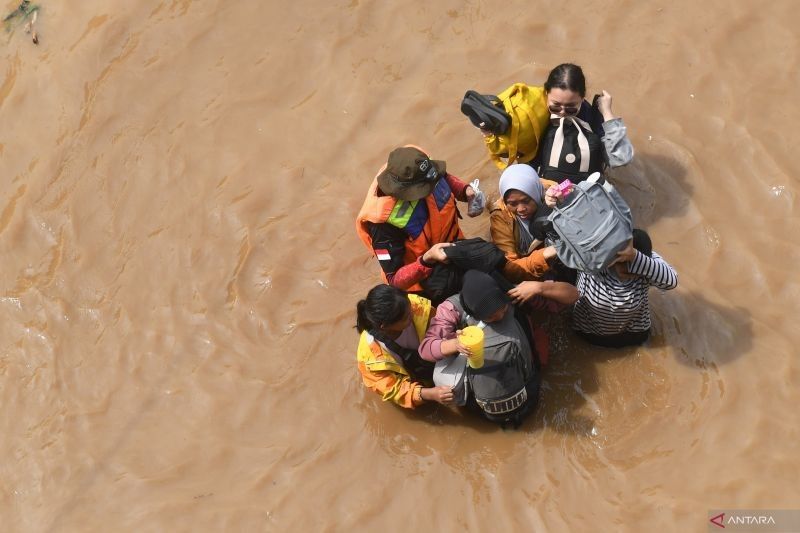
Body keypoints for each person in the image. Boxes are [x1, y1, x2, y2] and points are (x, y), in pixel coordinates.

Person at [419, 271, 578, 427]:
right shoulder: (451, 309)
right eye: (491, 316)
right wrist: (455, 343)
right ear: (473, 311)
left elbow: (573, 295)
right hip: (487, 398)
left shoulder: (515, 294)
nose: (501, 316)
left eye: (503, 309)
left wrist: (539, 287)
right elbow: (425, 349)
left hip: (520, 388)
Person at [355, 145, 478, 296]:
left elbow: (441, 176)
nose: (431, 188)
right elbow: (394, 280)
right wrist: (427, 260)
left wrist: (465, 191)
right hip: (424, 282)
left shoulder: (420, 165)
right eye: (425, 188)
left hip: (455, 246)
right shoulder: (381, 224)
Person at [571, 229, 678, 348]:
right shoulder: (594, 262)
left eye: (634, 266)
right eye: (622, 262)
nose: (627, 269)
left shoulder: (647, 264)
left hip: (632, 335)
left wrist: (636, 257)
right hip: (588, 332)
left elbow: (671, 282)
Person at [355, 284, 454, 408]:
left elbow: (441, 325)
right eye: (406, 317)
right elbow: (393, 389)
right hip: (414, 380)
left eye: (410, 308)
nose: (412, 314)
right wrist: (429, 394)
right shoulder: (371, 356)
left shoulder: (415, 306)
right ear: (385, 327)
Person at [536, 63, 634, 183]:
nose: (562, 112)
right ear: (546, 94)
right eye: (556, 106)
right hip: (545, 186)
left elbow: (621, 158)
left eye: (571, 108)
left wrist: (607, 113)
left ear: (582, 99)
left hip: (585, 189)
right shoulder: (536, 112)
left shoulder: (591, 117)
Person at [489, 163, 561, 283]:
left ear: (535, 192)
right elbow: (509, 268)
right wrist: (545, 254)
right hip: (533, 263)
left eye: (526, 201)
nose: (521, 209)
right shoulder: (500, 218)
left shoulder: (554, 193)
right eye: (513, 204)